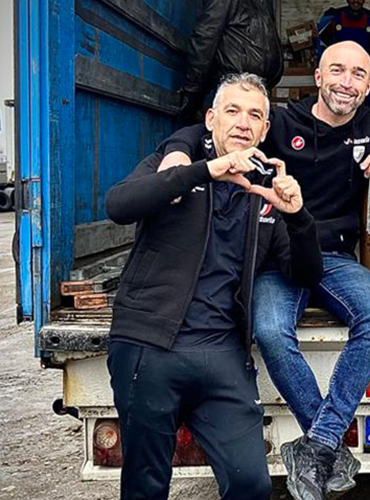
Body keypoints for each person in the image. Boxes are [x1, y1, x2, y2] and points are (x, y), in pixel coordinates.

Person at [159, 41, 370, 500]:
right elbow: (209, 132)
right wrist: (175, 153)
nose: (346, 82)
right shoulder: (283, 123)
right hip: (279, 254)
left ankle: (319, 443)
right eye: (337, 71)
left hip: (336, 257)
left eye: (358, 74)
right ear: (318, 76)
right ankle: (329, 447)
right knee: (270, 330)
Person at [104, 73, 323, 500]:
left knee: (251, 484)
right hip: (149, 347)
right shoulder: (175, 164)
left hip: (222, 355)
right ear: (210, 119)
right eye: (232, 111)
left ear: (264, 129)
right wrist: (203, 170)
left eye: (254, 115)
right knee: (145, 485)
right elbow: (118, 205)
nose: (243, 122)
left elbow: (304, 275)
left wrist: (298, 217)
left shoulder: (265, 189)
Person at [179, 0, 284, 122]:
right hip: (236, 82)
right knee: (235, 127)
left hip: (258, 84)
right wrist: (193, 86)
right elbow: (206, 35)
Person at [316, 0, 370, 111]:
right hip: (338, 77)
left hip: (363, 76)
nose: (356, 1)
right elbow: (322, 49)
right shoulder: (331, 22)